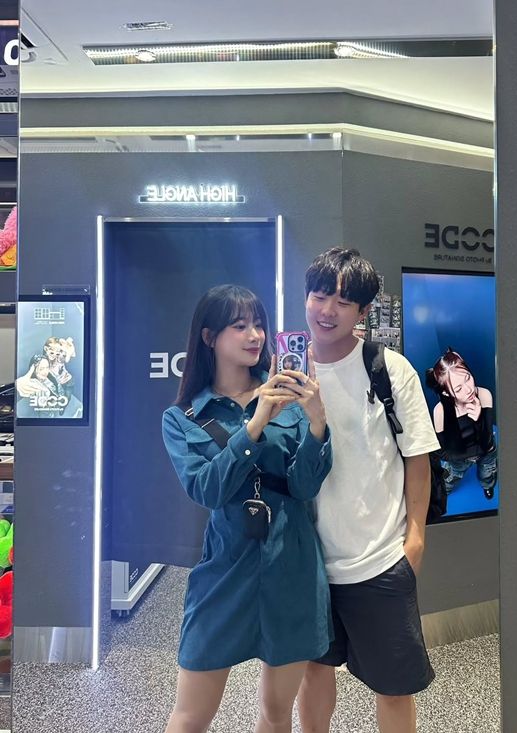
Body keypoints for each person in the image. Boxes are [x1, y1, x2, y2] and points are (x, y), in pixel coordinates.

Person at [162, 284, 333, 733]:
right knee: (190, 714)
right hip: (225, 567)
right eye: (239, 326)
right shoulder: (182, 418)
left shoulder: (290, 399)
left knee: (276, 712)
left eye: (258, 324)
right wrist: (256, 424)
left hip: (291, 564)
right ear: (209, 337)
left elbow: (304, 486)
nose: (255, 335)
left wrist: (317, 422)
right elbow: (206, 489)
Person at [297, 248, 441, 733]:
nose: (327, 311)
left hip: (378, 558)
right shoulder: (288, 371)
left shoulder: (389, 368)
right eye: (320, 296)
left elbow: (418, 457)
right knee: (313, 671)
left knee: (394, 686)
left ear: (363, 311)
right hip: (308, 562)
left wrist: (414, 539)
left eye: (343, 302)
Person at [426, 348, 497, 499]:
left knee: (487, 475)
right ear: (446, 392)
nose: (469, 389)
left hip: (485, 453)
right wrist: (465, 456)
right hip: (457, 460)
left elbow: (487, 442)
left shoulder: (484, 395)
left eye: (468, 378)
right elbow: (442, 451)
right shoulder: (440, 411)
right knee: (448, 482)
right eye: (458, 388)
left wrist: (479, 419)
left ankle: (487, 485)